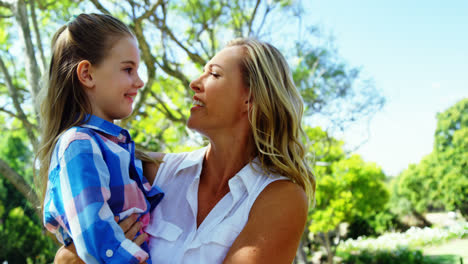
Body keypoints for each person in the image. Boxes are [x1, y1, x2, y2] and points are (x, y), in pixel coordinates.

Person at [56, 37, 315, 263]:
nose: (194, 82)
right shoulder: (149, 173)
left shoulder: (280, 198)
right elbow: (70, 244)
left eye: (213, 74)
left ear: (250, 98)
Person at [36, 13, 164, 264]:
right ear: (87, 74)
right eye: (128, 69)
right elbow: (96, 243)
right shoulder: (78, 144)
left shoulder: (111, 146)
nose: (139, 82)